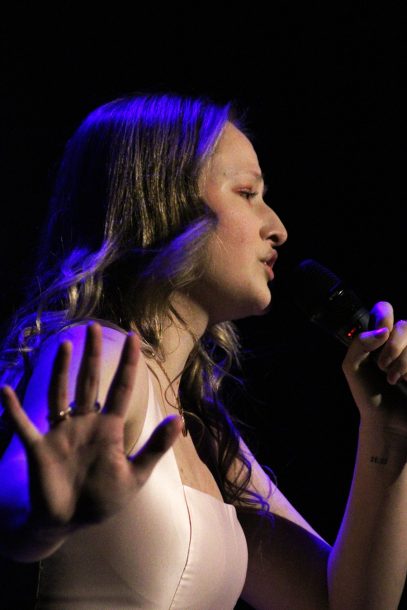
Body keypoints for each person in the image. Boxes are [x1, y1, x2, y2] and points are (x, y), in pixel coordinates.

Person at [0, 92, 405, 610]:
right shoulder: (98, 351)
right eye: (247, 192)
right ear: (162, 200)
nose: (277, 226)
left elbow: (342, 603)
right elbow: (18, 500)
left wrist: (388, 434)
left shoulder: (210, 435)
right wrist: (42, 518)